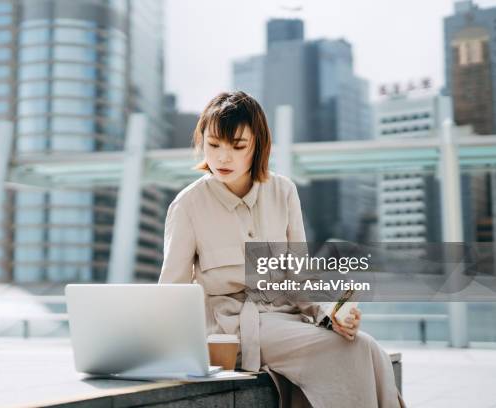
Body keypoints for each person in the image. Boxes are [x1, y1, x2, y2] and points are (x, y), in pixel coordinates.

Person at [158, 91, 406, 408]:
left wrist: (332, 314)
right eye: (214, 144)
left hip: (287, 320)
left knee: (367, 347)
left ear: (258, 146)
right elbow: (171, 290)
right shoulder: (188, 204)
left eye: (238, 146)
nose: (222, 158)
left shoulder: (283, 191)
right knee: (352, 352)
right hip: (231, 329)